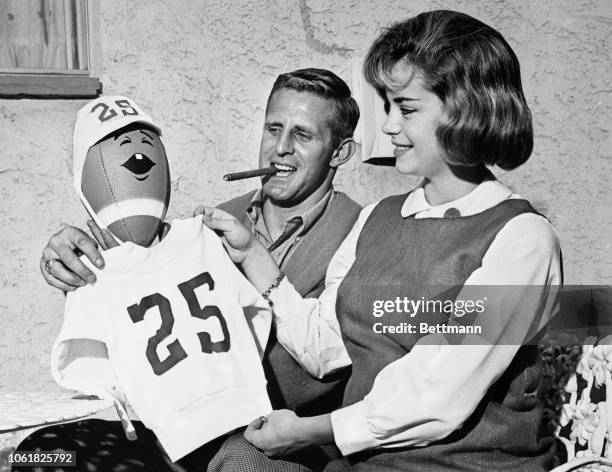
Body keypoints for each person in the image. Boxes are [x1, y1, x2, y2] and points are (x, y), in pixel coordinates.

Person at [197, 10, 563, 472]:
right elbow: (324, 347)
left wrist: (309, 430)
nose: (388, 127)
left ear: (467, 109)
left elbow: (434, 394)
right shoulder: (378, 219)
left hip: (463, 466)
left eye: (406, 108)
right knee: (238, 460)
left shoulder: (522, 239)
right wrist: (251, 252)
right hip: (362, 464)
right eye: (387, 106)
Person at [32, 68, 361, 472]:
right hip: (179, 431)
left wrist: (255, 257)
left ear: (341, 152)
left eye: (303, 135)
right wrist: (66, 254)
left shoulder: (360, 236)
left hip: (283, 444)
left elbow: (328, 356)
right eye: (273, 129)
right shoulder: (216, 222)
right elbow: (138, 262)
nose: (280, 149)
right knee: (43, 451)